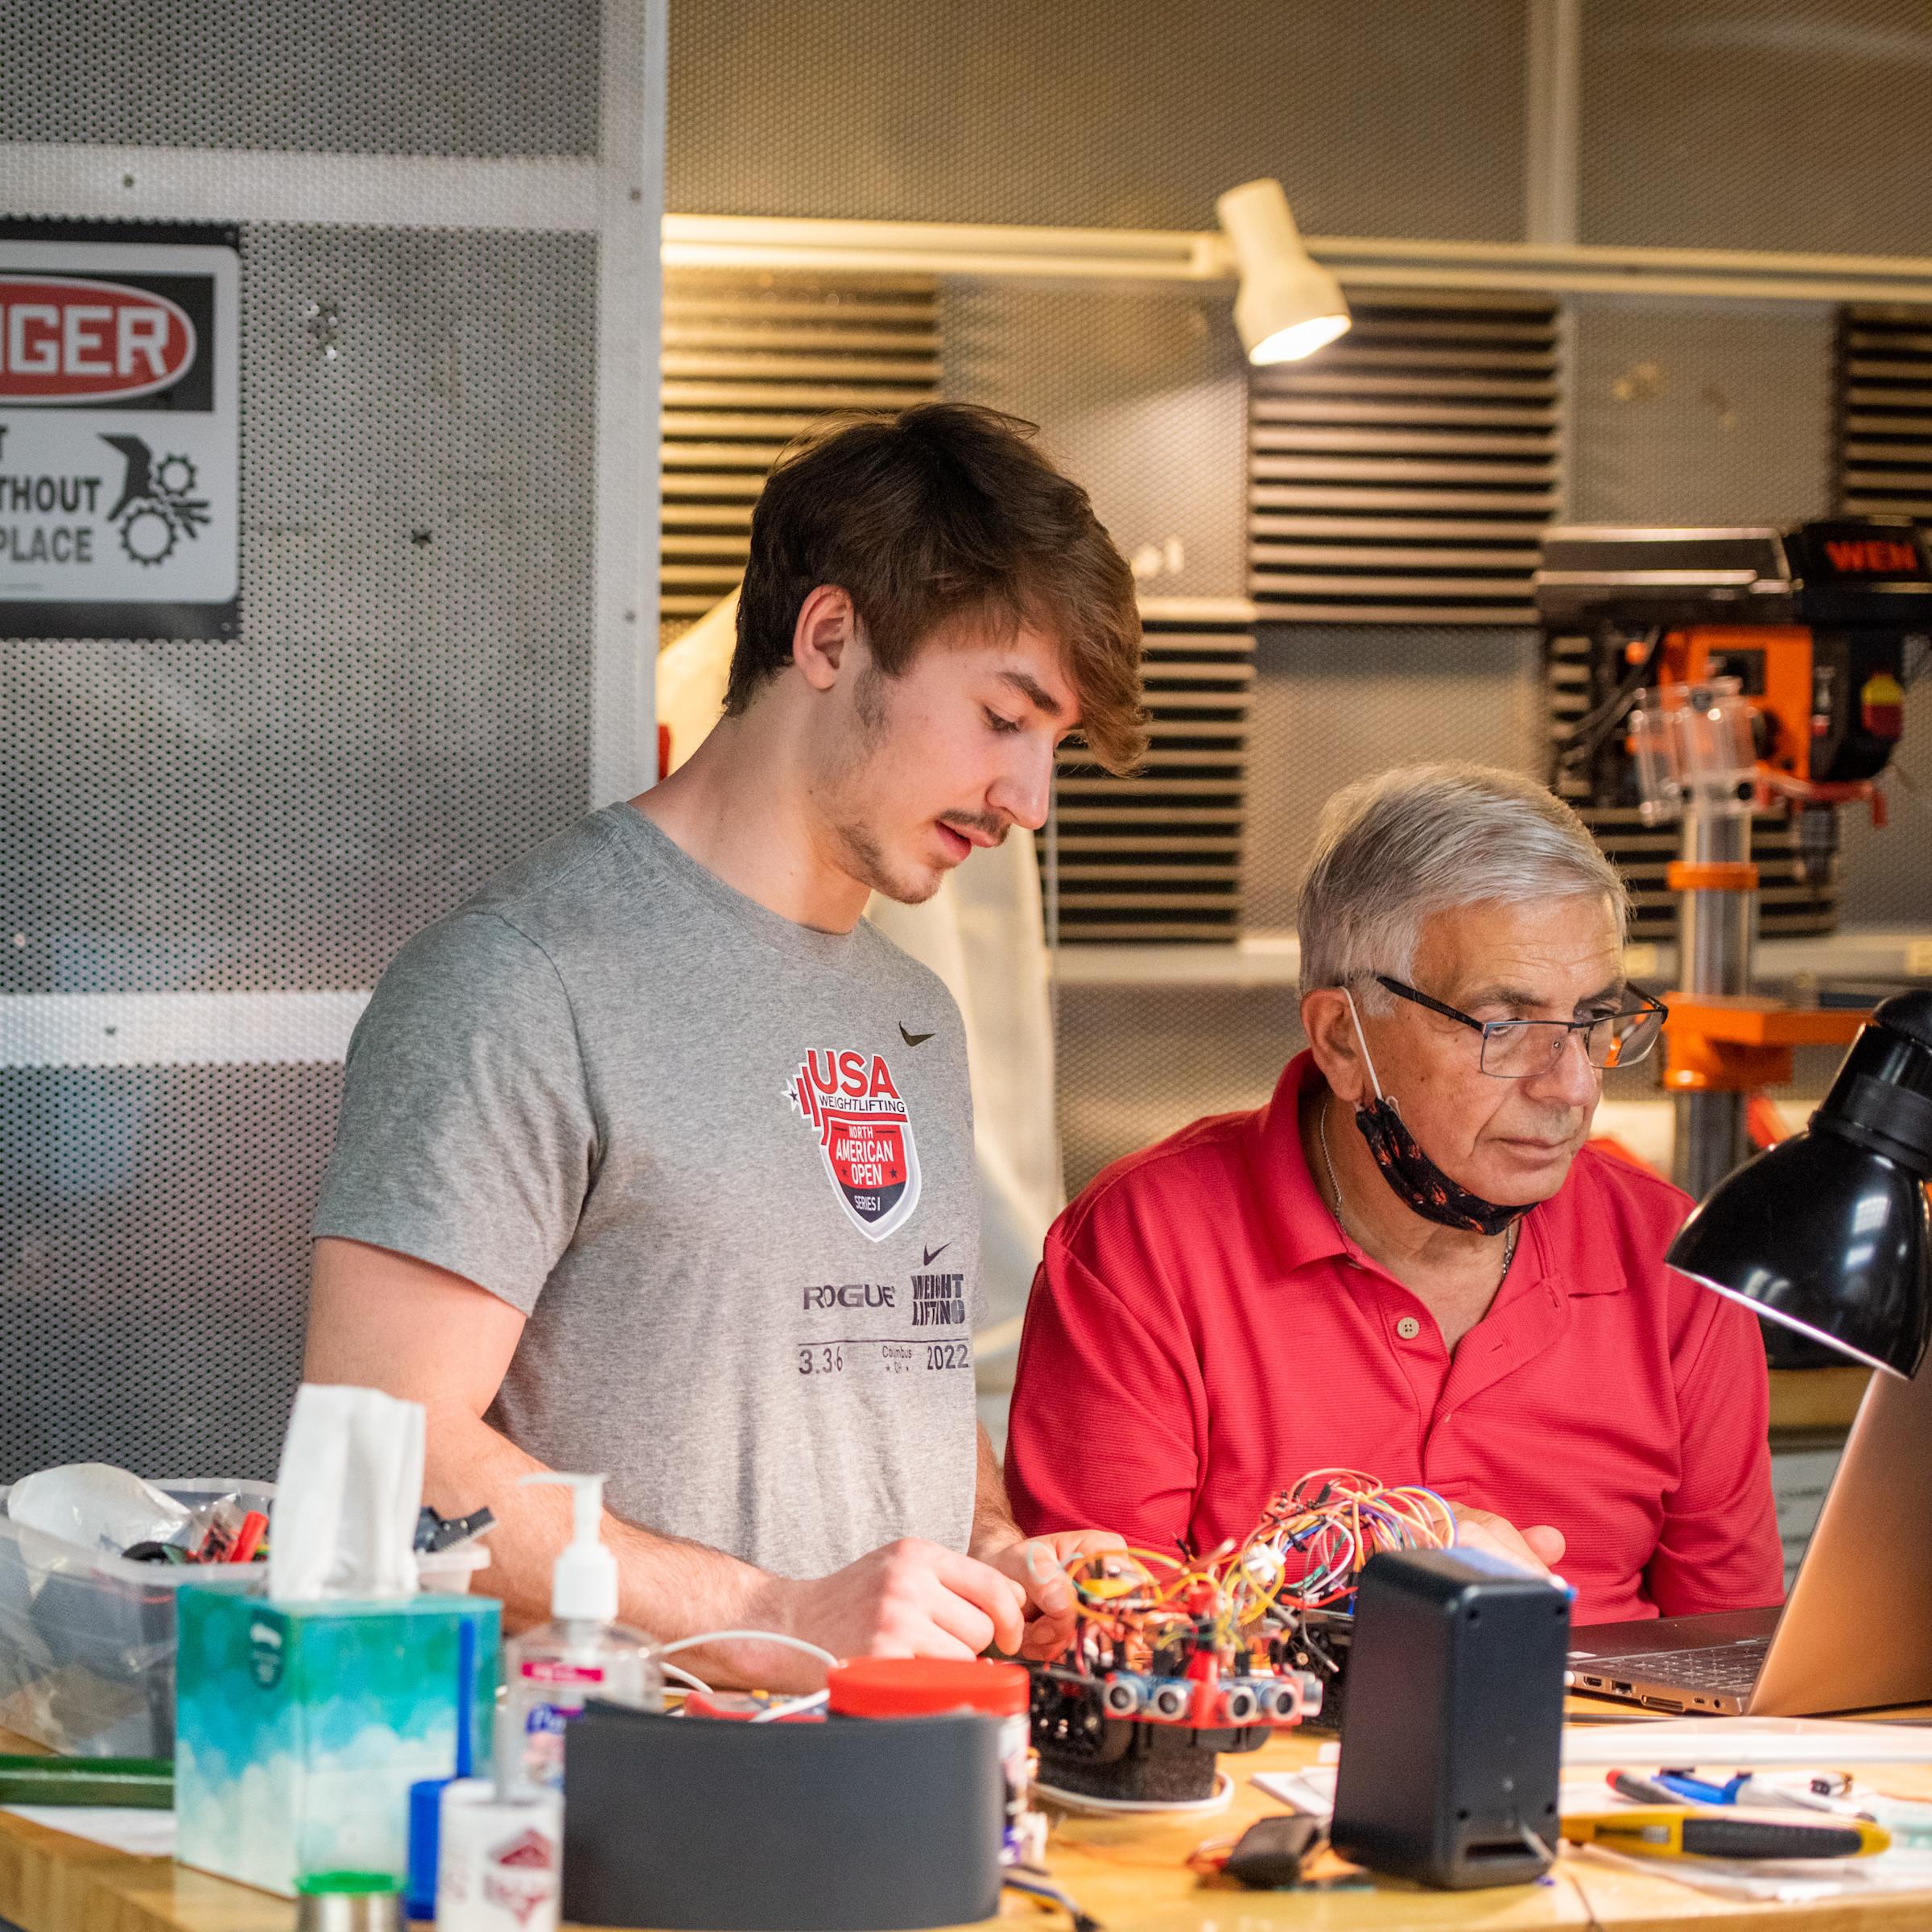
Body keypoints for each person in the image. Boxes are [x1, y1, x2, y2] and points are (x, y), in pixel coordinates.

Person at [303, 404, 1146, 1687]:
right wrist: (775, 1615)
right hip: (607, 1811)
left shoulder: (913, 1017)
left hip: (893, 1793)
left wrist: (986, 1542)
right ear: (829, 636)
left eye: (1054, 749)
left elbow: (886, 1371)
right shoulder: (521, 982)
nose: (1029, 801)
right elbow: (381, 1448)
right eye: (1003, 718)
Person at [1006, 763, 1784, 1625]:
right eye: (1506, 1026)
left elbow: (1735, 1657)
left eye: (1593, 1022)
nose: (1571, 1087)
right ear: (1343, 1040)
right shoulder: (1143, 1245)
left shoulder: (1674, 1254)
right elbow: (1100, 1639)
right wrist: (1370, 1549)